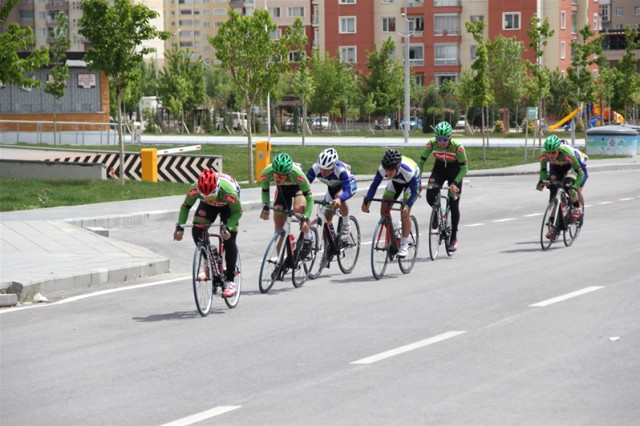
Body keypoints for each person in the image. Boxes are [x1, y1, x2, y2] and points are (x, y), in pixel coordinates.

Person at [173, 168, 242, 298]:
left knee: (229, 238)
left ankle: (230, 281)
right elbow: (185, 206)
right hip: (208, 208)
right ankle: (210, 257)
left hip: (228, 206)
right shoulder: (195, 189)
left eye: (211, 195)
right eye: (205, 196)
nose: (209, 199)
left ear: (217, 188)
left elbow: (238, 211)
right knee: (197, 230)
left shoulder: (228, 191)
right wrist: (180, 227)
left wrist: (228, 226)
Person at [417, 121, 468, 252]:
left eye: (445, 139)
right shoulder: (431, 143)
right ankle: (436, 210)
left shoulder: (458, 147)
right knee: (430, 193)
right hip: (439, 169)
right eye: (439, 139)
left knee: (454, 203)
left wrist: (455, 183)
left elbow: (465, 169)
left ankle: (454, 237)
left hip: (455, 172)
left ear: (450, 137)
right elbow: (421, 162)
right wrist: (417, 180)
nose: (442, 142)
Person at [361, 148, 420, 258]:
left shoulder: (408, 171)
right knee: (384, 209)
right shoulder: (383, 169)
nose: (388, 173)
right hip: (396, 182)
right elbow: (374, 185)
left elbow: (415, 192)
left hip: (410, 184)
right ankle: (394, 239)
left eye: (391, 171)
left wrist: (407, 205)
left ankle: (404, 245)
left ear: (398, 167)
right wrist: (367, 201)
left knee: (404, 212)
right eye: (386, 170)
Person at [259, 152, 315, 258]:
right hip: (282, 190)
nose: (278, 178)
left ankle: (308, 237)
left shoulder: (298, 174)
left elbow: (310, 198)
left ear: (289, 173)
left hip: (297, 188)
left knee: (298, 210)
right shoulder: (267, 172)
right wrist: (266, 207)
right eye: (276, 175)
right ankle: (280, 258)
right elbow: (265, 191)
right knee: (278, 222)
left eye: (282, 176)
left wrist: (305, 217)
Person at [536, 134, 588, 239]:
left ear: (558, 150)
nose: (551, 155)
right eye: (549, 152)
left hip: (574, 166)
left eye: (554, 152)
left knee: (570, 186)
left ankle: (577, 207)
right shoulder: (544, 155)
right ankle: (554, 226)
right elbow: (543, 171)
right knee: (553, 188)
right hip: (557, 167)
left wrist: (575, 186)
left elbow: (581, 173)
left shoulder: (566, 154)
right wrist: (542, 181)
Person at [306, 148, 357, 241]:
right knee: (326, 216)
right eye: (321, 168)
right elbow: (304, 185)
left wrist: (340, 200)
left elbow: (347, 190)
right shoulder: (315, 168)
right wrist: (307, 196)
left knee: (338, 196)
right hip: (332, 187)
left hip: (348, 185)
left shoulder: (340, 170)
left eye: (326, 170)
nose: (322, 171)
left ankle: (346, 225)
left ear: (333, 167)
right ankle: (331, 243)